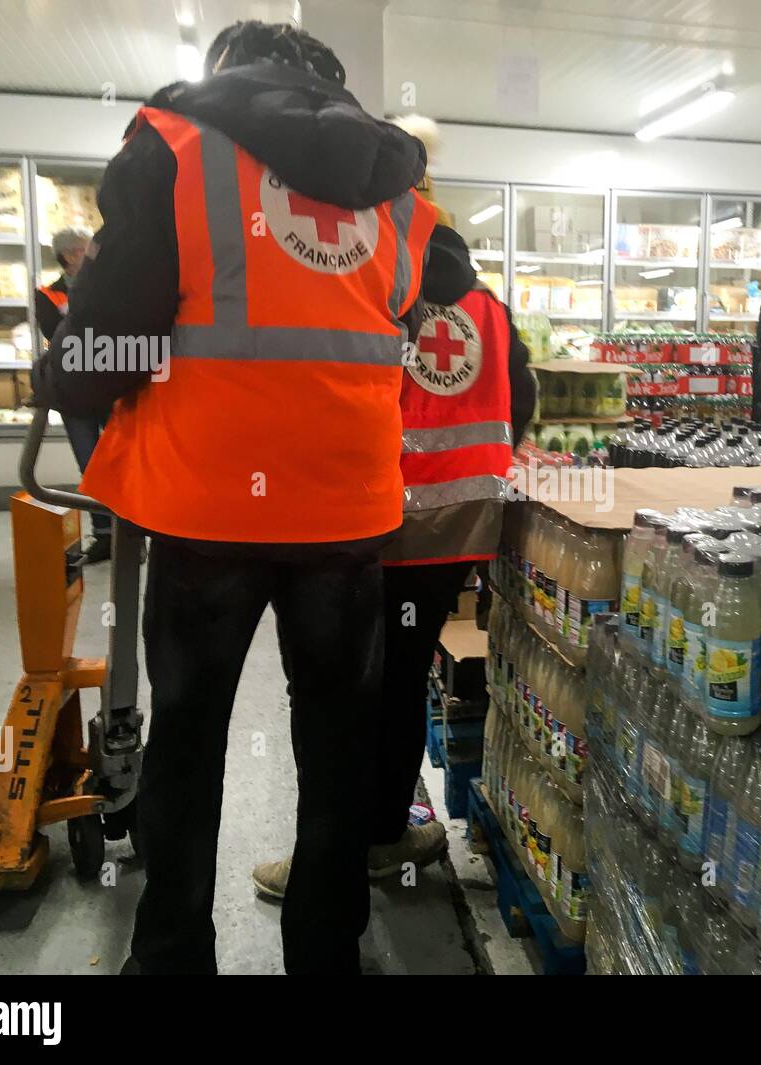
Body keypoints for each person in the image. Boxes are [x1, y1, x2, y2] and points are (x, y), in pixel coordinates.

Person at [31, 19, 437, 975]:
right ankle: (325, 953)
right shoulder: (397, 191)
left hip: (206, 509)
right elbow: (404, 313)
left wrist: (70, 385)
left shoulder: (175, 148)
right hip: (346, 514)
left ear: (228, 75)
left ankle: (173, 954)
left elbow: (106, 336)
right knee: (337, 742)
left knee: (189, 737)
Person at [251, 120, 535, 895]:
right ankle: (381, 835)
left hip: (378, 523)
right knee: (405, 681)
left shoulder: (375, 289)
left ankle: (331, 859)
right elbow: (524, 402)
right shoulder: (489, 305)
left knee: (339, 691)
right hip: (463, 523)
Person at [36, 227, 112, 561]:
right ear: (69, 256)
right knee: (91, 466)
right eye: (85, 249)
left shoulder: (109, 286)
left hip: (112, 389)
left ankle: (131, 533)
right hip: (74, 394)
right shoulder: (47, 296)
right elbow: (58, 337)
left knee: (122, 461)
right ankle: (105, 535)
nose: (93, 253)